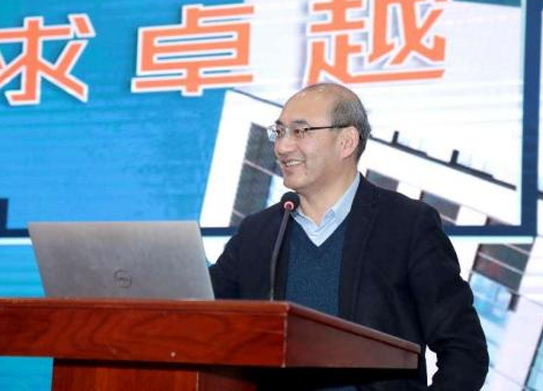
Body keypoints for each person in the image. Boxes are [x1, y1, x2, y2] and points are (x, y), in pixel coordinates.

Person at [209, 83, 489, 390]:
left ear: (346, 142)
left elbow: (464, 350)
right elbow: (199, 317)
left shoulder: (406, 225)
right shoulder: (258, 232)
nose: (282, 147)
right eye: (279, 131)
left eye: (300, 131)